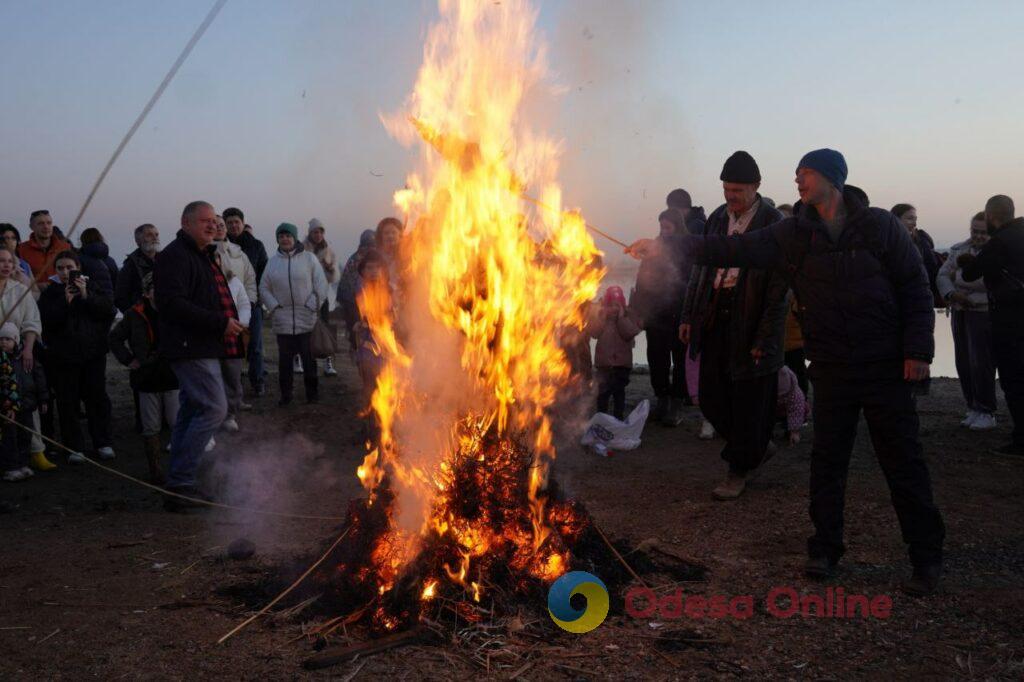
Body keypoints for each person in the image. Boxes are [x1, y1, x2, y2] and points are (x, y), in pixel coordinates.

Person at [635, 148, 944, 595]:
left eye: (807, 173)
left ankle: (926, 556)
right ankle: (824, 549)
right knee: (828, 461)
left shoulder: (880, 226)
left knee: (903, 462)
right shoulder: (794, 234)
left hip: (883, 366)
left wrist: (918, 351)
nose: (798, 180)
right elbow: (730, 248)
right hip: (832, 367)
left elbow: (916, 288)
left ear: (833, 179)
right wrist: (668, 245)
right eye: (797, 173)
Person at [678, 151, 788, 501]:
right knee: (710, 396)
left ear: (756, 186)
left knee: (749, 400)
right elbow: (700, 270)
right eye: (727, 189)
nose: (731, 197)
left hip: (751, 314)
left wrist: (765, 336)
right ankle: (756, 447)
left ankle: (737, 471)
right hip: (714, 313)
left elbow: (777, 287)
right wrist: (688, 315)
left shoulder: (773, 222)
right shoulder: (715, 218)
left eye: (738, 190)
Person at [155, 201, 243, 507]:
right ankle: (182, 481)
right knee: (214, 408)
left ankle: (179, 484)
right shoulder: (174, 257)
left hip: (203, 344)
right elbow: (172, 304)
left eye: (213, 221)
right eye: (203, 220)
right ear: (185, 223)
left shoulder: (202, 255)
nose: (211, 225)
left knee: (192, 410)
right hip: (188, 346)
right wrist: (220, 322)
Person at [959, 195, 1024, 456]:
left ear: (990, 216)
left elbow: (972, 274)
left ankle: (1021, 439)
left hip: (1009, 321)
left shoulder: (1000, 242)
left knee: (1014, 379)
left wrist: (966, 262)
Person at [38, 250, 116, 463]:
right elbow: (47, 322)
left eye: (69, 268)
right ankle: (75, 447)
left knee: (97, 399)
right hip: (63, 357)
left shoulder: (91, 287)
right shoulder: (50, 293)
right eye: (61, 268)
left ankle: (103, 443)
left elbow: (108, 311)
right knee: (68, 403)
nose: (65, 272)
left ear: (78, 268)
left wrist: (86, 296)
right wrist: (65, 301)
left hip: (93, 353)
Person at [109, 274, 178, 483]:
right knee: (150, 427)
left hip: (173, 376)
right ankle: (155, 471)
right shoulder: (133, 315)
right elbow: (114, 338)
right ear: (146, 292)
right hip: (147, 378)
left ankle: (180, 469)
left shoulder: (176, 311)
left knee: (178, 424)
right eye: (155, 288)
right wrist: (129, 360)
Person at [631, 209, 693, 426]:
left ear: (677, 226)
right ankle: (662, 399)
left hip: (680, 315)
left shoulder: (687, 249)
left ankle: (677, 402)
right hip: (656, 315)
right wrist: (639, 311)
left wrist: (670, 270)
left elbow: (692, 283)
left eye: (668, 227)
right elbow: (641, 283)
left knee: (680, 359)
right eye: (661, 227)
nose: (664, 231)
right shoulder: (653, 250)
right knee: (657, 359)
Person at [936, 212, 996, 430]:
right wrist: (951, 294)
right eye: (975, 231)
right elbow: (943, 275)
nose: (978, 236)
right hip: (959, 309)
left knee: (981, 362)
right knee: (963, 361)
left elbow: (990, 282)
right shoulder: (958, 249)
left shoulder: (997, 252)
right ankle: (972, 406)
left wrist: (966, 292)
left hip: (983, 312)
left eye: (983, 232)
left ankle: (986, 410)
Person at [259, 223, 329, 406]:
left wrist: (312, 305)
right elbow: (263, 288)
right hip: (283, 320)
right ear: (278, 239)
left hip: (306, 317)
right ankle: (286, 396)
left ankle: (312, 394)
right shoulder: (272, 262)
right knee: (284, 363)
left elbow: (321, 284)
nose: (285, 239)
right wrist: (274, 307)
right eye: (281, 236)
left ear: (295, 238)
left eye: (288, 236)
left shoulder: (309, 259)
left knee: (309, 360)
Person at [223, 207, 268, 396]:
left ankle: (258, 382)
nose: (233, 225)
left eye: (236, 222)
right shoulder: (219, 246)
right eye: (230, 222)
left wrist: (254, 299)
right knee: (230, 348)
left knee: (255, 346)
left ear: (243, 223)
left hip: (252, 303)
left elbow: (263, 273)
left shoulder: (256, 245)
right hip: (226, 305)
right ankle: (232, 385)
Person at [588, 286, 641, 420]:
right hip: (603, 364)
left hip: (622, 365)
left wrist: (621, 317)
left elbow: (629, 333)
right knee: (602, 395)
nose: (614, 309)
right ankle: (601, 419)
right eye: (610, 305)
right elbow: (594, 333)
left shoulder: (628, 315)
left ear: (622, 304)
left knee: (619, 393)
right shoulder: (601, 316)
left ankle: (618, 419)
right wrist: (602, 317)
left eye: (617, 305)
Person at [216, 253, 250, 432]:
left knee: (232, 376)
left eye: (216, 257)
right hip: (210, 337)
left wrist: (241, 324)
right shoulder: (199, 280)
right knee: (212, 378)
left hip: (232, 335)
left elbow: (244, 304)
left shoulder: (233, 281)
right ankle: (213, 417)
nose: (214, 261)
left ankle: (230, 415)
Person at [304, 218, 339, 377]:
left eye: (320, 232)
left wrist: (330, 269)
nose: (318, 235)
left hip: (323, 295)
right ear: (310, 233)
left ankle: (327, 360)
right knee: (303, 327)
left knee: (324, 326)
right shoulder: (302, 249)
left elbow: (334, 278)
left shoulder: (329, 251)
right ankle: (301, 358)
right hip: (304, 294)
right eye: (315, 232)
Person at [338, 229, 378, 351]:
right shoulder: (354, 260)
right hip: (355, 306)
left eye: (373, 245)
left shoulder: (377, 260)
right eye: (367, 245)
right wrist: (354, 318)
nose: (370, 248)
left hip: (375, 307)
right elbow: (347, 290)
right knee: (360, 343)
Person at [892, 204, 940, 303]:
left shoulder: (921, 241)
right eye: (910, 219)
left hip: (919, 297)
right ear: (895, 219)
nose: (914, 224)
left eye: (915, 219)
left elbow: (931, 269)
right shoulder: (885, 244)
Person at [17, 210, 72, 291]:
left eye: (49, 223)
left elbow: (73, 272)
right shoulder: (21, 249)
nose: (46, 227)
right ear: (31, 227)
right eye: (40, 223)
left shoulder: (65, 247)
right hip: (34, 298)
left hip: (61, 296)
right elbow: (17, 277)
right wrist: (36, 286)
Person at [0, 332, 29, 482]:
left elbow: (9, 383)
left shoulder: (3, 359)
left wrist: (11, 407)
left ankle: (12, 467)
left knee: (11, 435)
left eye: (7, 339)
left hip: (4, 406)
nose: (3, 342)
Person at [115, 223, 161, 313]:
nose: (155, 238)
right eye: (149, 235)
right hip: (143, 318)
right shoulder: (130, 266)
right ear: (138, 240)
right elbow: (120, 298)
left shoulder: (166, 261)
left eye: (156, 234)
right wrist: (136, 316)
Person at [0, 224, 39, 296]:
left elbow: (36, 292)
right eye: (6, 238)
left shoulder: (24, 265)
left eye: (13, 238)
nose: (10, 241)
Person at [776, 364, 809, 445]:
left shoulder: (795, 393)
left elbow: (796, 411)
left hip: (785, 407)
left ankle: (790, 429)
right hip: (770, 405)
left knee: (803, 407)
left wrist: (794, 431)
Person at [79, 228, 119, 292]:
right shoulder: (111, 261)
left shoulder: (80, 259)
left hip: (90, 298)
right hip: (110, 298)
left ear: (83, 240)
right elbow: (117, 282)